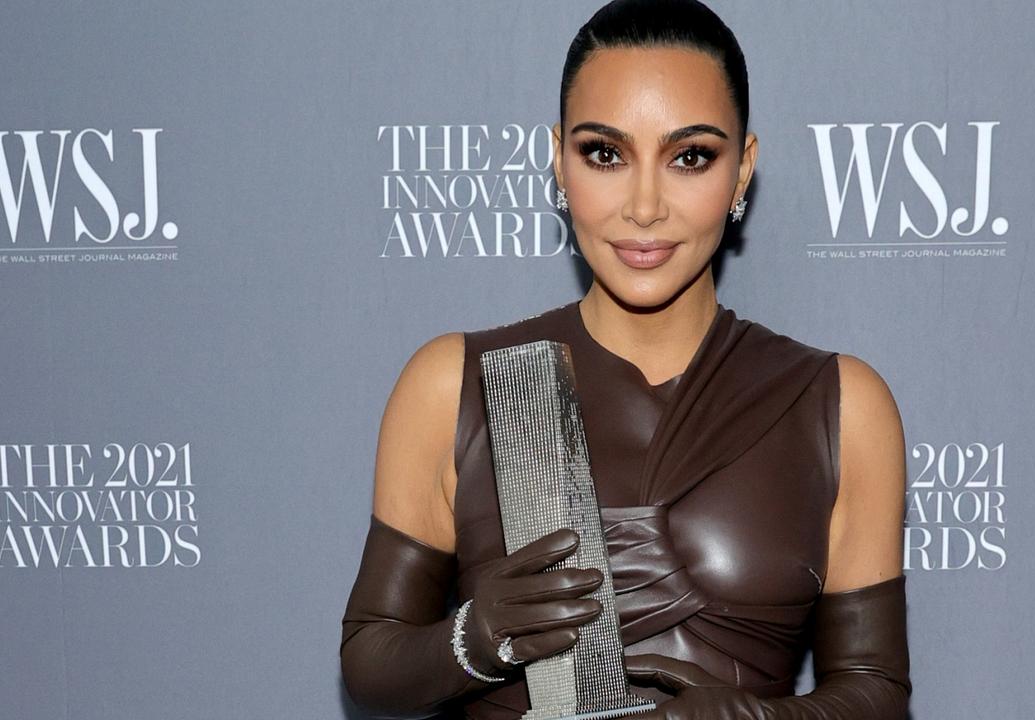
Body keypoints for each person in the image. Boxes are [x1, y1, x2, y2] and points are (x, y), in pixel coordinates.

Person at [340, 0, 911, 717]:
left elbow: (876, 693)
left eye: (690, 157)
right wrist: (474, 638)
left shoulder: (837, 403)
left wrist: (761, 718)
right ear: (558, 160)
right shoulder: (459, 382)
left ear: (743, 171)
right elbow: (370, 661)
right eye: (604, 154)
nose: (644, 207)